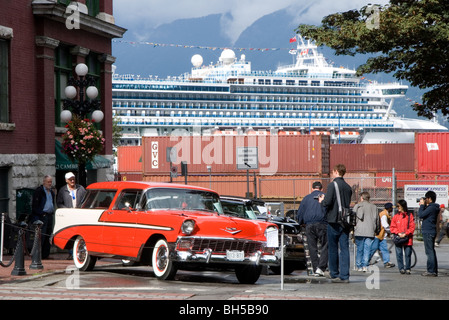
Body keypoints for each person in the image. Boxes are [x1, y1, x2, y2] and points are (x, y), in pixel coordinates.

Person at [319, 164, 352, 283]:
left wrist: (322, 200)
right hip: (345, 222)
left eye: (333, 172)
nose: (332, 173)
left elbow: (327, 202)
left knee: (332, 248)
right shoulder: (348, 187)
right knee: (344, 249)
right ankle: (345, 276)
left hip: (333, 221)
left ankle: (334, 273)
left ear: (337, 171)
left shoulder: (332, 185)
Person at [296, 181, 328, 277]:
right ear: (321, 189)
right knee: (325, 246)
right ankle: (321, 268)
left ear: (312, 189)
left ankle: (315, 268)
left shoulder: (306, 198)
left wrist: (300, 223)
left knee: (312, 247)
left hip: (309, 225)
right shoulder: (325, 196)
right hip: (323, 224)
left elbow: (300, 213)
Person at [352, 192, 379, 272]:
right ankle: (365, 266)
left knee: (359, 249)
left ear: (361, 198)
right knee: (367, 249)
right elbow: (377, 220)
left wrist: (352, 230)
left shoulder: (357, 206)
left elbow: (353, 219)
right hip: (370, 231)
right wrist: (377, 229)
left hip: (359, 231)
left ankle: (359, 265)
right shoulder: (374, 207)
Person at [31, 175, 56, 259]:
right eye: (48, 182)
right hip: (42, 216)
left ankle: (45, 255)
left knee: (48, 235)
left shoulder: (52, 192)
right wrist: (40, 214)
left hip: (49, 216)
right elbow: (35, 206)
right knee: (41, 236)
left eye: (51, 182)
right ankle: (38, 255)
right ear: (44, 182)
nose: (50, 183)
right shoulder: (39, 191)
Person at [390, 199, 415, 275]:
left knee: (408, 254)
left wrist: (406, 233)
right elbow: (392, 227)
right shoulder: (395, 217)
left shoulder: (409, 216)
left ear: (403, 206)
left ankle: (408, 268)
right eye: (397, 206)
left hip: (408, 238)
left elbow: (412, 227)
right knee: (399, 254)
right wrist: (398, 233)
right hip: (398, 238)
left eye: (399, 206)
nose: (398, 208)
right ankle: (401, 268)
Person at [418, 190, 440, 276]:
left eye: (426, 198)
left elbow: (421, 215)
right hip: (431, 230)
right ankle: (433, 270)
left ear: (429, 199)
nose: (425, 200)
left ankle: (431, 271)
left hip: (428, 231)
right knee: (431, 251)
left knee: (429, 251)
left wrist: (422, 206)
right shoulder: (434, 207)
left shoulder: (431, 208)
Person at [369, 203, 395, 268]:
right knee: (373, 249)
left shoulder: (385, 214)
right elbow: (385, 225)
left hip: (382, 235)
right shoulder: (384, 215)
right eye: (391, 208)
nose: (392, 209)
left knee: (384, 249)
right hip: (378, 235)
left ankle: (386, 262)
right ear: (389, 208)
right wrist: (392, 231)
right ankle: (366, 261)